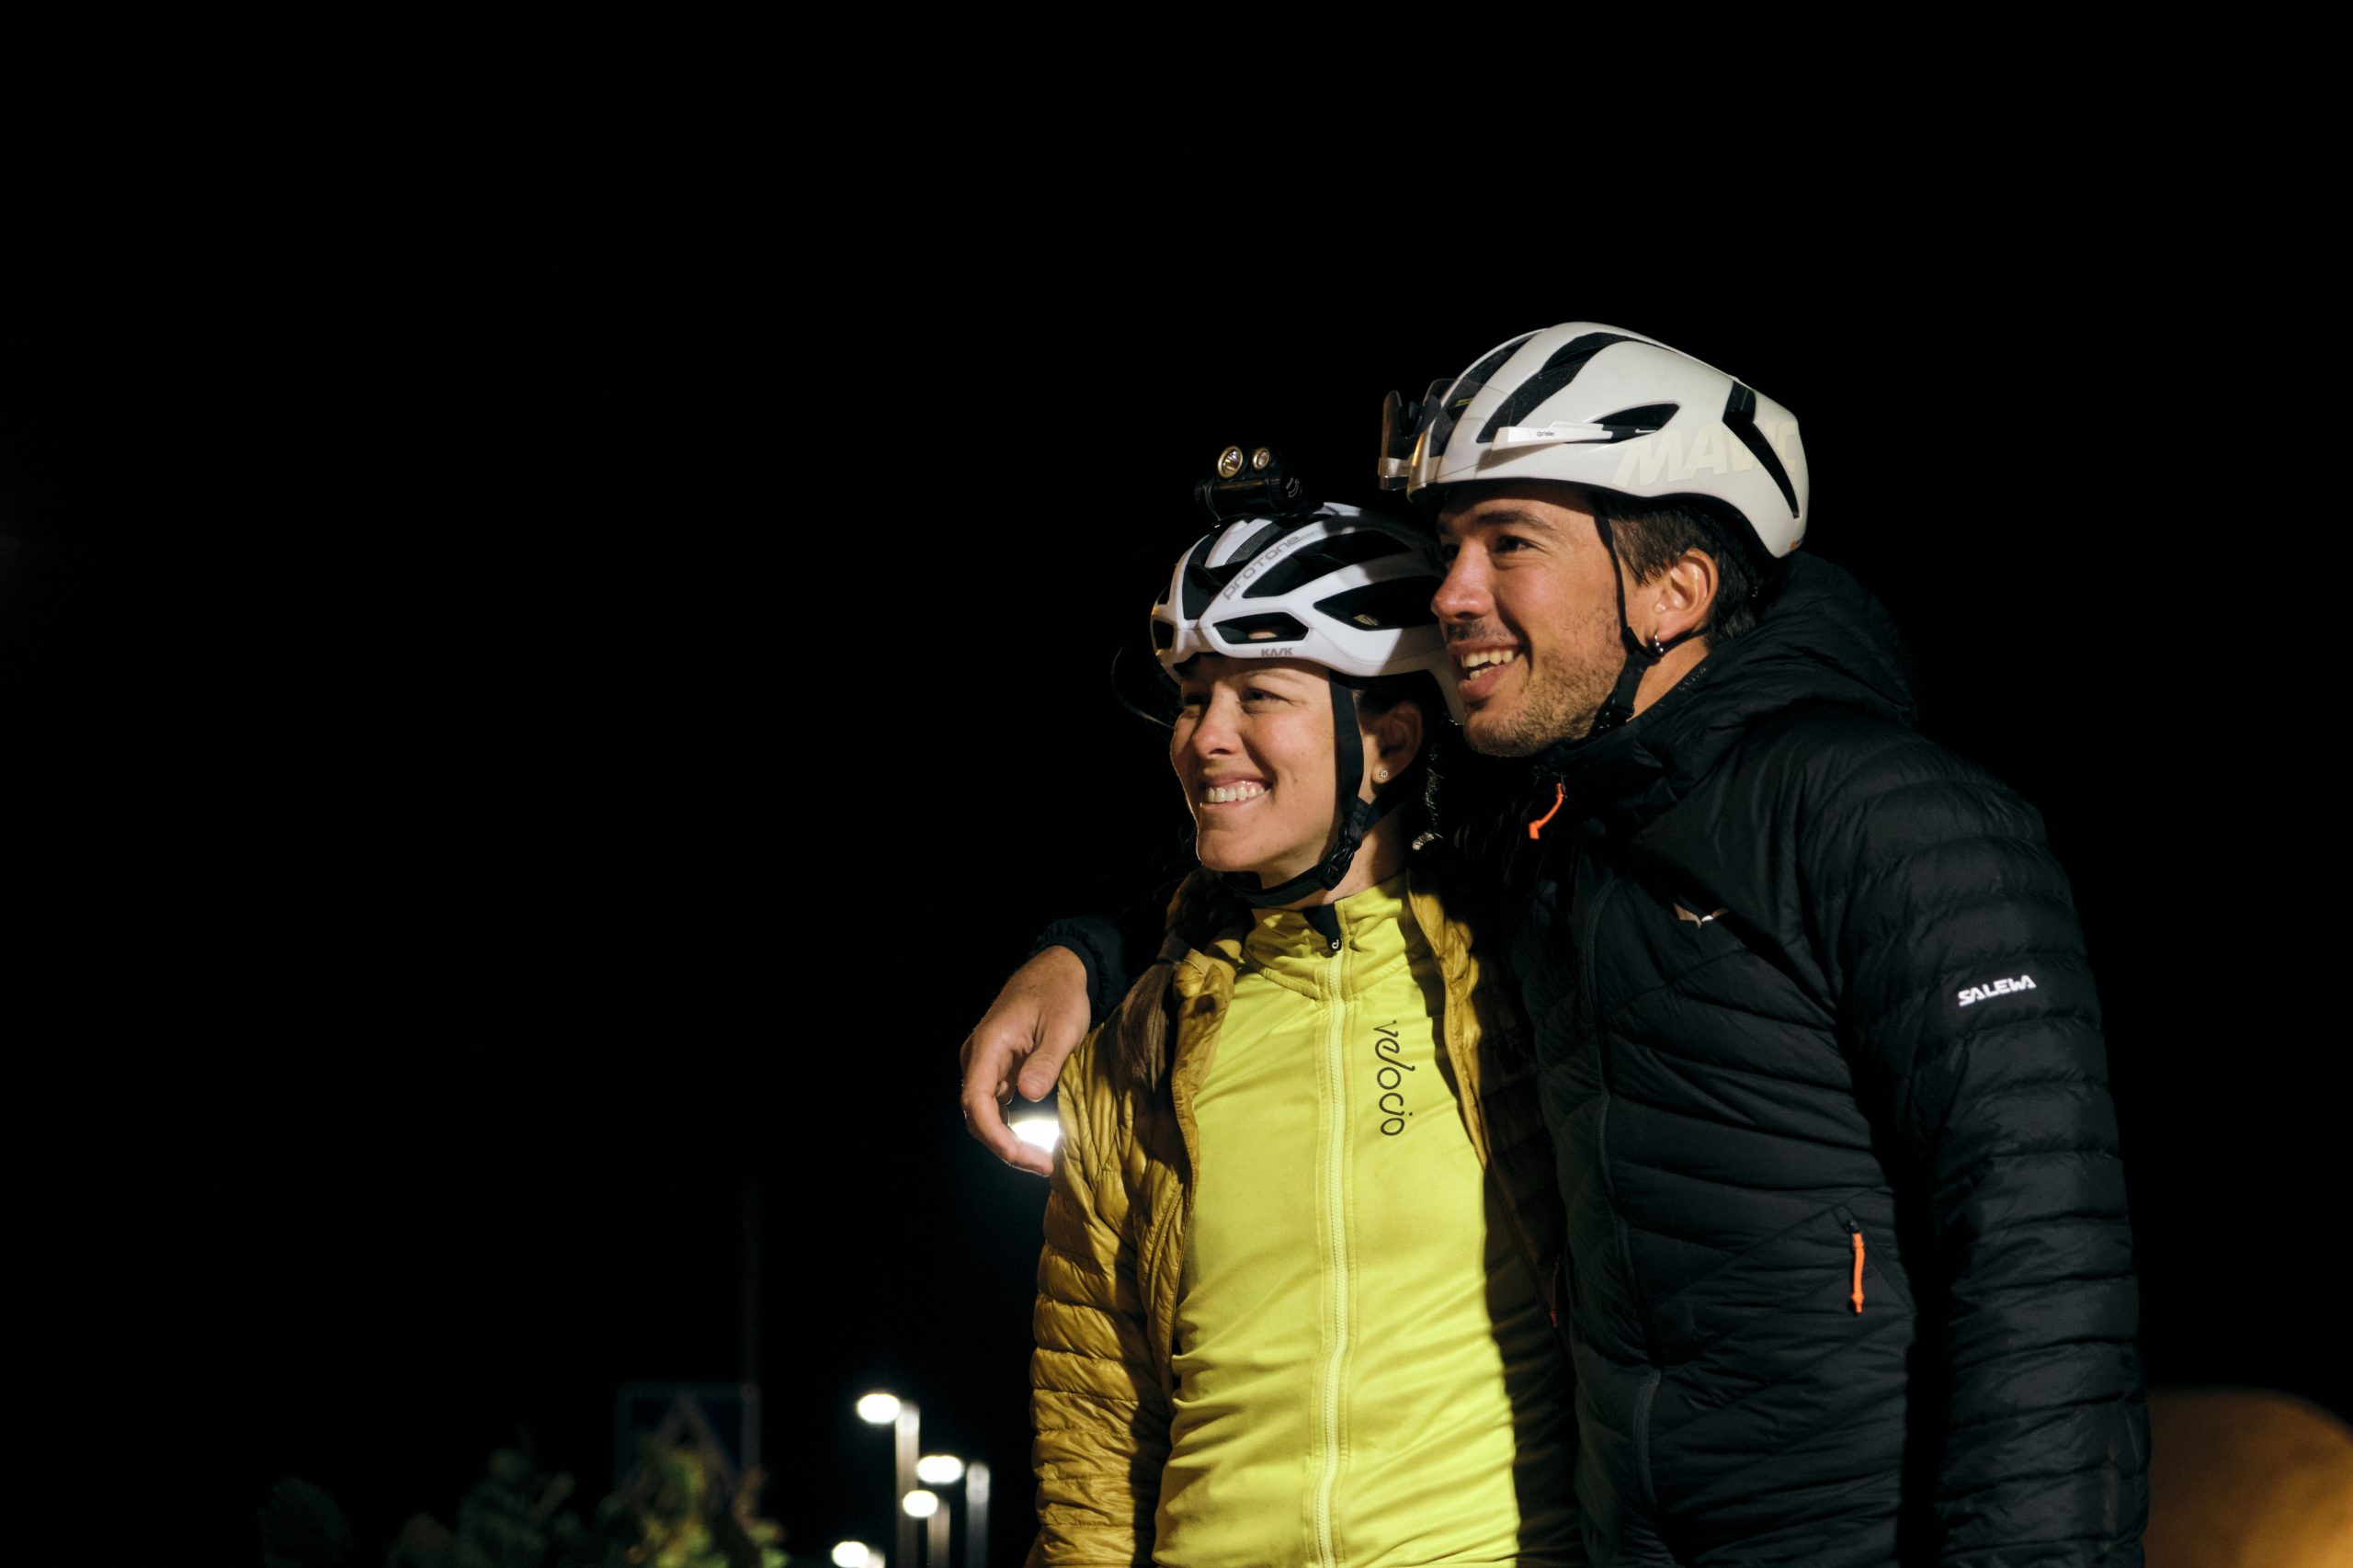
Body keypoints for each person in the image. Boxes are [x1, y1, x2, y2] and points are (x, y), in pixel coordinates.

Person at [969, 327, 2148, 1566]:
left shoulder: (1883, 814)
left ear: (1673, 591)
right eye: (1451, 546)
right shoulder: (1554, 853)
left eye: (1509, 543)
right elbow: (1301, 884)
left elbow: (2042, 1262)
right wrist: (1086, 951)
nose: (1451, 591)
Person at [1028, 496, 1582, 1565]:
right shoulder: (1138, 1046)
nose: (1205, 736)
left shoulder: (1518, 976)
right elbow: (1094, 1419)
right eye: (1193, 698)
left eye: (1260, 694)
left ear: (1389, 741)